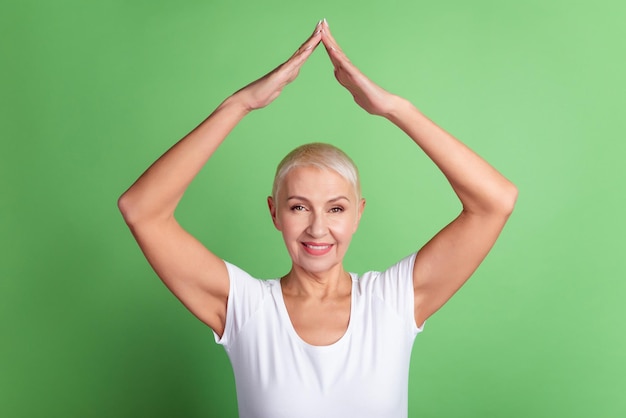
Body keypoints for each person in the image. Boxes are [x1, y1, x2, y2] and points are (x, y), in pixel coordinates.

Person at [118, 19, 517, 418]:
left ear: (358, 214)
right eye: (299, 207)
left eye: (336, 208)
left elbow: (495, 201)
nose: (318, 228)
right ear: (275, 213)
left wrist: (395, 108)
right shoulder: (246, 309)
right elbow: (141, 210)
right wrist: (240, 104)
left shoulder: (393, 302)